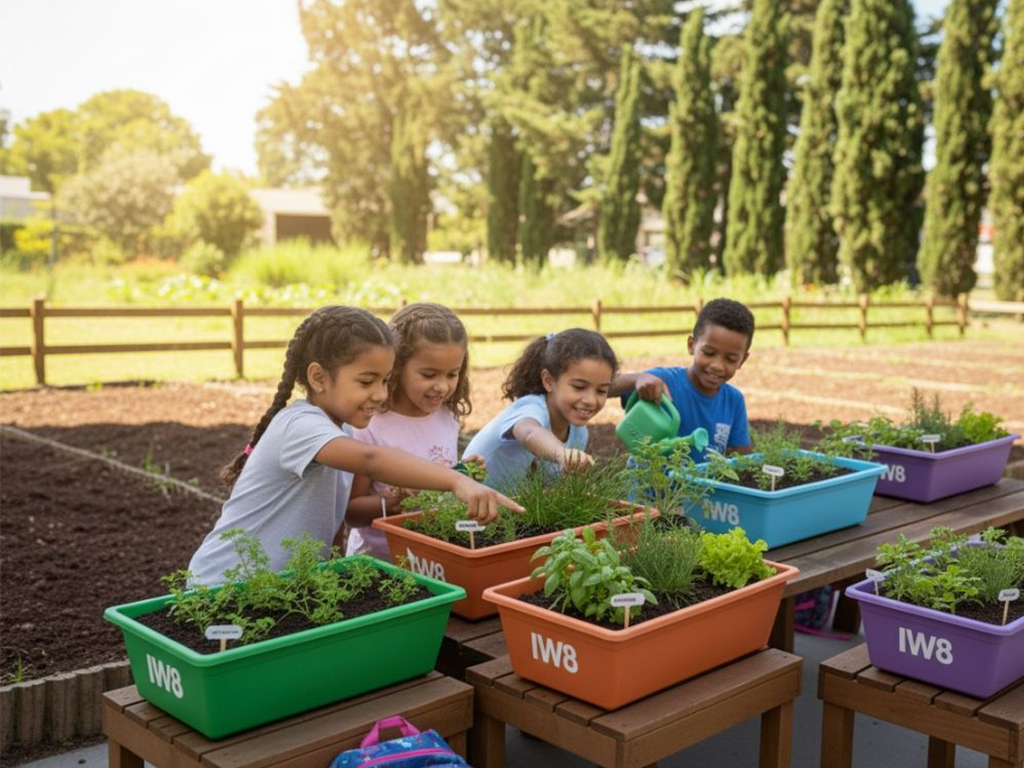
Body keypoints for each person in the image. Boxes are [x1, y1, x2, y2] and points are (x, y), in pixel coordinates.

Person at [188, 305, 520, 584]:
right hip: (227, 582)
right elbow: (372, 459)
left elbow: (331, 522)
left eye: (385, 380)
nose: (379, 393)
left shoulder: (342, 429)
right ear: (318, 378)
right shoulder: (299, 425)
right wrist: (455, 480)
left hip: (284, 585)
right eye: (366, 381)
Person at [344, 302, 480, 559]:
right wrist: (395, 500)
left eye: (452, 374)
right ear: (396, 367)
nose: (442, 386)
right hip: (379, 564)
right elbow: (352, 512)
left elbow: (442, 475)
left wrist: (464, 473)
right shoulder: (369, 426)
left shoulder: (446, 415)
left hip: (433, 557)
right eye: (429, 374)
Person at [464, 328, 618, 490]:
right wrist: (561, 453)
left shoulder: (579, 433)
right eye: (579, 387)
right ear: (549, 381)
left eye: (601, 390)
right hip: (464, 503)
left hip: (512, 509)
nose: (590, 400)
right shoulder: (531, 408)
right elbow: (530, 432)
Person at [609, 298, 754, 461]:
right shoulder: (663, 382)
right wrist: (637, 379)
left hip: (704, 487)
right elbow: (602, 386)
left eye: (731, 359)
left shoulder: (734, 401)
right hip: (649, 485)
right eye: (709, 353)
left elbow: (741, 459)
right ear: (692, 345)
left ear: (742, 360)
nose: (718, 366)